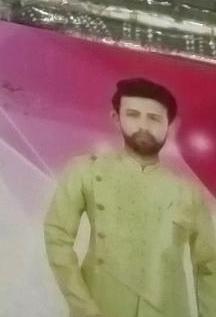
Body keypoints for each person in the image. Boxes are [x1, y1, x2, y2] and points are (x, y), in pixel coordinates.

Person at [44, 75, 216, 317]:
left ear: (170, 124)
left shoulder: (188, 192)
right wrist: (83, 306)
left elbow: (210, 264)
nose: (143, 126)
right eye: (133, 115)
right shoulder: (86, 170)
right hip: (100, 308)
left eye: (154, 118)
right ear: (116, 117)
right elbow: (57, 237)